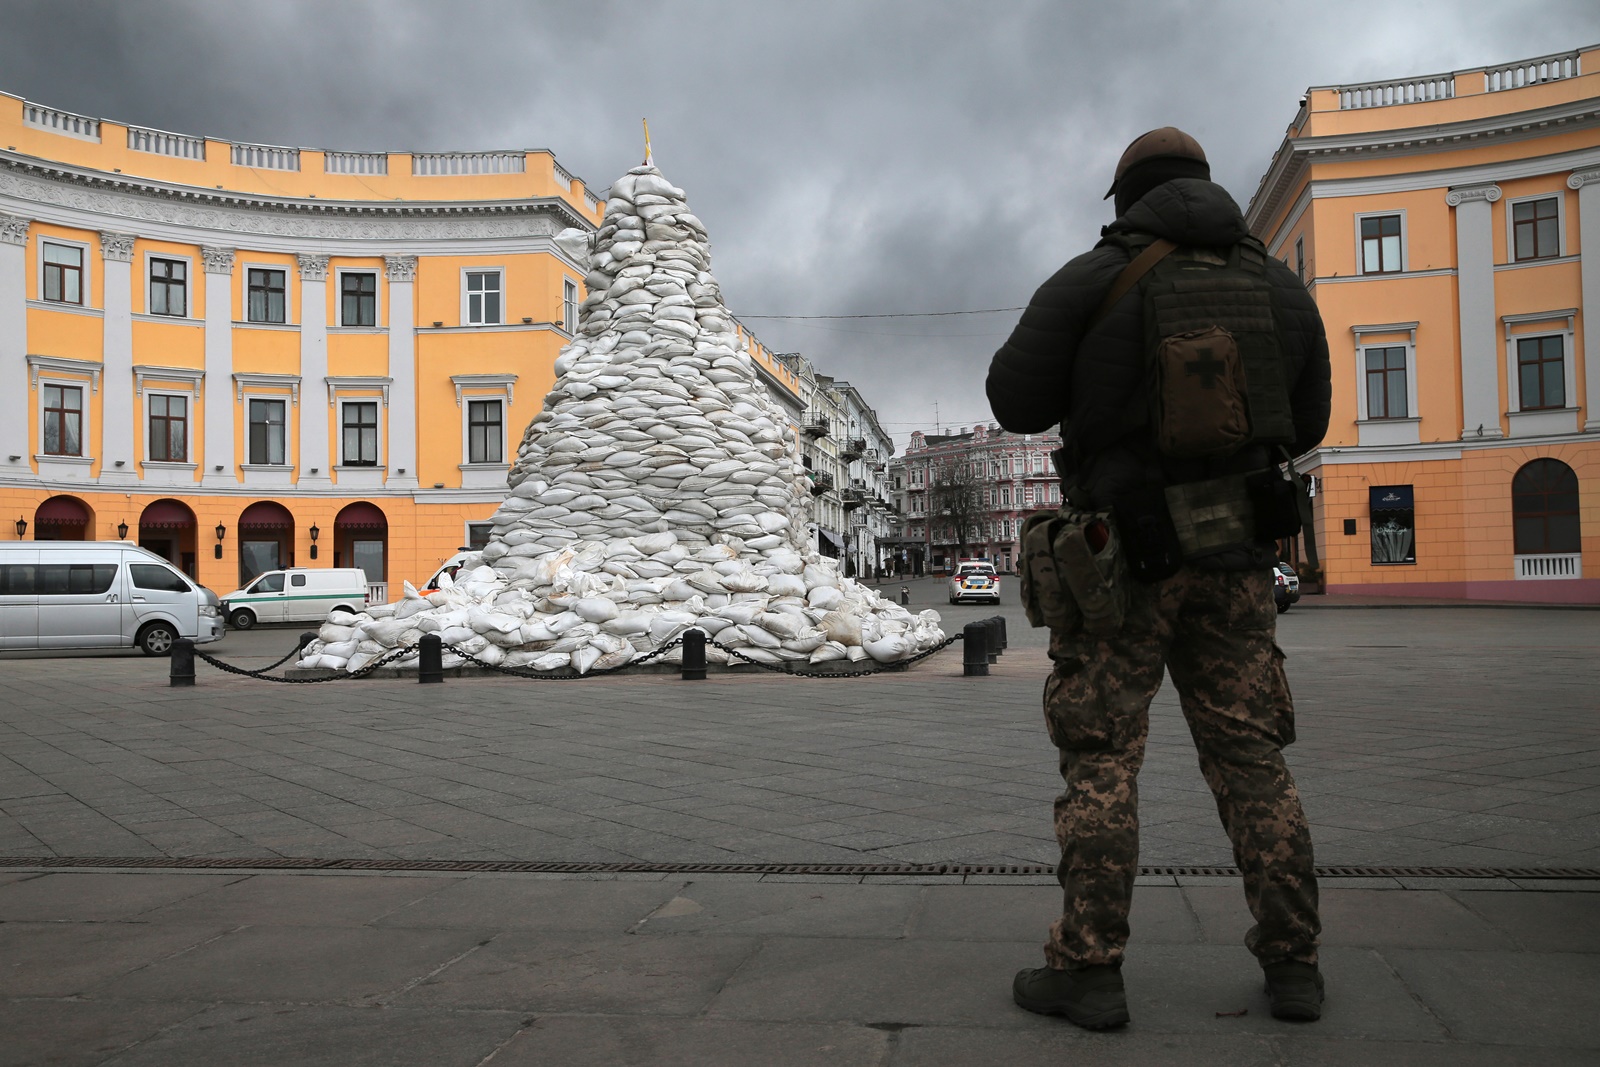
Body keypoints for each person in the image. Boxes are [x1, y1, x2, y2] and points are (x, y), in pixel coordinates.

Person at [985, 127, 1332, 1030]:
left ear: (1127, 199)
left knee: (1103, 762)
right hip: (1239, 565)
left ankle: (1090, 968)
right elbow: (1312, 416)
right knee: (1254, 757)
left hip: (1122, 569)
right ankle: (1294, 962)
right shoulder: (1280, 286)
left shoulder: (1093, 277)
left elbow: (1013, 399)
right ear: (1204, 185)